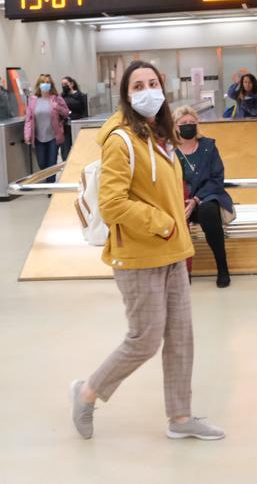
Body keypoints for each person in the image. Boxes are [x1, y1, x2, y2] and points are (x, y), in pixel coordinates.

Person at [69, 60, 224, 442]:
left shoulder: (162, 136)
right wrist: (163, 224)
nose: (147, 90)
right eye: (138, 85)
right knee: (145, 339)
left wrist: (178, 228)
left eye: (153, 82)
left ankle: (181, 416)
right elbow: (113, 203)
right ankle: (87, 392)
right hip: (138, 255)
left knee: (181, 337)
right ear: (126, 95)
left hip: (173, 253)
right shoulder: (121, 141)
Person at [173, 106, 235, 288]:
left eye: (192, 123)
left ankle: (222, 267)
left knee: (209, 212)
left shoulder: (208, 146)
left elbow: (217, 178)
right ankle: (182, 272)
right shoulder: (170, 150)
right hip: (178, 200)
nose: (188, 126)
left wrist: (196, 200)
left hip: (204, 199)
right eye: (184, 123)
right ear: (176, 127)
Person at [24, 74, 70, 183]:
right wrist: (27, 135)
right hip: (39, 137)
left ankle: (50, 186)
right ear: (39, 85)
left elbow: (66, 112)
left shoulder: (56, 98)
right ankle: (48, 180)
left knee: (51, 162)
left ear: (51, 85)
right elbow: (29, 119)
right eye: (43, 82)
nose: (45, 85)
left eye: (48, 82)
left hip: (53, 136)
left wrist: (56, 107)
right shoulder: (33, 100)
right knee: (42, 163)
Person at [60, 76, 88, 162]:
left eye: (65, 84)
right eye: (62, 84)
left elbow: (83, 110)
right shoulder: (61, 96)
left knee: (79, 149)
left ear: (71, 84)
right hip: (65, 127)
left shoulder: (80, 95)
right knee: (65, 152)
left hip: (77, 126)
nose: (64, 86)